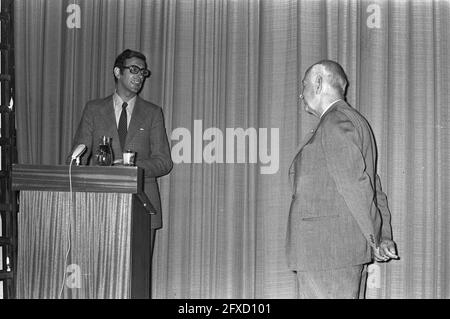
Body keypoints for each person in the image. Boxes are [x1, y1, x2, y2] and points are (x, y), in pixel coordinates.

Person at [286, 60, 398, 299]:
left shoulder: (335, 122)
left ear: (318, 83)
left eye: (304, 85)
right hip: (340, 254)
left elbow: (356, 186)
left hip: (326, 254)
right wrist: (382, 235)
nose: (300, 93)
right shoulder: (352, 121)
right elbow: (372, 185)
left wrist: (375, 239)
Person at [67, 49, 173, 263]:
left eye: (143, 72)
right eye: (134, 70)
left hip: (142, 205)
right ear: (117, 72)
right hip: (100, 205)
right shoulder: (94, 109)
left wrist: (131, 167)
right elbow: (77, 156)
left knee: (138, 275)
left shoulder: (153, 113)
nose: (139, 76)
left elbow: (164, 162)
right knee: (100, 271)